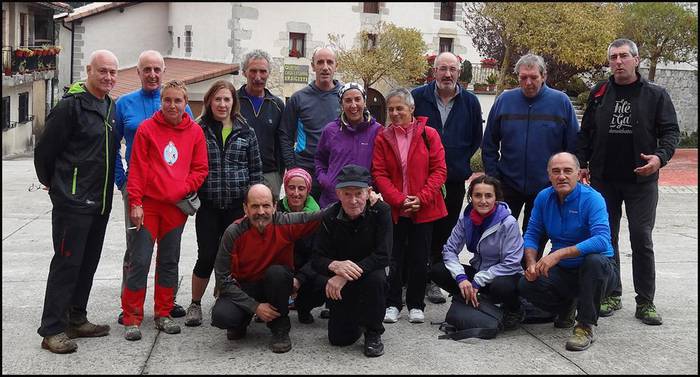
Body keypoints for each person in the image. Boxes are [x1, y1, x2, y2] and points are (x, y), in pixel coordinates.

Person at [576, 38, 680, 325]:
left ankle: (645, 301)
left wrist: (659, 158)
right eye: (613, 57)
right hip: (604, 180)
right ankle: (612, 293)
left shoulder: (656, 95)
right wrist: (582, 164)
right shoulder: (598, 93)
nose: (618, 62)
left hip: (641, 182)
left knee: (641, 239)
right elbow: (585, 134)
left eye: (623, 56)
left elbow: (671, 132)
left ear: (636, 60)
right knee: (605, 239)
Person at [34, 50, 120, 354]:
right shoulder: (71, 106)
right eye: (103, 71)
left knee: (87, 263)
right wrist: (55, 186)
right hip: (73, 203)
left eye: (113, 72)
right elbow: (44, 151)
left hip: (99, 202)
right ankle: (52, 330)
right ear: (89, 71)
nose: (108, 77)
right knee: (66, 264)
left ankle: (76, 318)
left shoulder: (109, 105)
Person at [121, 80, 208, 341]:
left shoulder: (194, 132)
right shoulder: (147, 129)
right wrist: (135, 203)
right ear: (162, 102)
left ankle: (163, 313)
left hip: (175, 210)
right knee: (140, 261)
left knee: (169, 262)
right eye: (167, 100)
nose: (172, 105)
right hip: (147, 208)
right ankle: (132, 318)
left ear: (185, 103)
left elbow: (200, 169)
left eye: (177, 100)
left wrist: (183, 187)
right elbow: (136, 169)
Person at [114, 50, 194, 323]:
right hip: (138, 191)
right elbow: (113, 147)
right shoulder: (124, 104)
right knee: (137, 253)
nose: (152, 74)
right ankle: (130, 307)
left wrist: (182, 186)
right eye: (146, 69)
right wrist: (122, 181)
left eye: (156, 69)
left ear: (163, 71)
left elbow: (190, 151)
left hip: (173, 199)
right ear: (138, 72)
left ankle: (165, 305)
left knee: (169, 255)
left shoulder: (184, 111)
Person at [482, 53, 579, 258]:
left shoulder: (560, 102)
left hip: (545, 187)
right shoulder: (505, 100)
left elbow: (572, 146)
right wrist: (493, 177)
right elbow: (489, 142)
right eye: (523, 77)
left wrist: (562, 181)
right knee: (499, 237)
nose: (528, 82)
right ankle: (498, 284)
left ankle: (527, 283)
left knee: (533, 241)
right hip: (508, 183)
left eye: (533, 77)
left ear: (544, 76)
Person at [518, 152, 618, 352]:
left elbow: (602, 239)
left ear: (578, 173)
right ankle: (566, 308)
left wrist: (557, 254)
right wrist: (531, 263)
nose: (561, 176)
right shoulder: (543, 197)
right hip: (564, 271)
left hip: (599, 272)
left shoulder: (593, 198)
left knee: (594, 262)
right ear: (549, 175)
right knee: (525, 284)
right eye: (556, 171)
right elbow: (532, 234)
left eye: (567, 171)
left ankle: (585, 326)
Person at [211, 184, 327, 353]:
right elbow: (222, 279)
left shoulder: (285, 222)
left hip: (274, 285)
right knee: (223, 316)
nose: (261, 211)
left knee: (278, 273)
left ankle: (280, 326)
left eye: (266, 205)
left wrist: (358, 199)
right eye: (255, 206)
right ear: (245, 208)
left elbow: (321, 216)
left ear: (274, 207)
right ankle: (241, 321)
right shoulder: (233, 232)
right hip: (245, 287)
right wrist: (254, 306)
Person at [183, 80, 263, 327]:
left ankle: (227, 299)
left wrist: (254, 202)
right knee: (206, 255)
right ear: (209, 101)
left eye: (227, 99)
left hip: (236, 206)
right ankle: (195, 303)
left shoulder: (245, 131)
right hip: (208, 204)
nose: (222, 104)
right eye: (217, 99)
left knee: (234, 257)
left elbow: (256, 170)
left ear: (233, 103)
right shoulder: (198, 129)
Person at [412, 51, 483, 305]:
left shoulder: (471, 102)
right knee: (419, 230)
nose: (448, 74)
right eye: (443, 69)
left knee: (446, 230)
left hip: (453, 179)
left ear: (459, 71)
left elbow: (477, 137)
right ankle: (412, 279)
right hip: (421, 180)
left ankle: (434, 279)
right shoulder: (417, 97)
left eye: (452, 69)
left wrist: (460, 161)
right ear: (434, 71)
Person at [372, 87, 447, 324]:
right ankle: (393, 303)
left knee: (419, 257)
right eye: (391, 109)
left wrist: (420, 198)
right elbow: (379, 173)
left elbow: (439, 170)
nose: (394, 113)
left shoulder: (429, 134)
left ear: (411, 109)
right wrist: (398, 199)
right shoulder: (383, 137)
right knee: (394, 257)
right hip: (395, 209)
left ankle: (416, 304)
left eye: (399, 108)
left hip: (424, 208)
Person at [312, 164, 392, 357]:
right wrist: (335, 265)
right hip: (342, 279)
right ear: (338, 194)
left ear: (368, 192)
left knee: (377, 279)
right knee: (338, 340)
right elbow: (316, 257)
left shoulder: (381, 211)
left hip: (370, 273)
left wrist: (345, 275)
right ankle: (355, 318)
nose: (353, 200)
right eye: (347, 194)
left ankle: (373, 331)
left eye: (359, 193)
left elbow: (383, 255)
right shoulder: (329, 216)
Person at [429, 175, 524, 330]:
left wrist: (478, 280)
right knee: (437, 270)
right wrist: (461, 278)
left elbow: (512, 263)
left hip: (503, 275)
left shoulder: (508, 223)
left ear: (496, 198)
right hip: (479, 272)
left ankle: (515, 310)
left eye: (488, 195)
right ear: (471, 197)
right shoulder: (466, 218)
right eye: (477, 195)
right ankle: (471, 296)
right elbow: (449, 250)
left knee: (501, 287)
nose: (483, 201)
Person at [279, 46, 343, 199]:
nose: (325, 67)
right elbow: (285, 135)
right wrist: (293, 168)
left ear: (336, 65)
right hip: (306, 170)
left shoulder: (346, 98)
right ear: (313, 66)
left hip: (336, 170)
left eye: (330, 62)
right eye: (320, 62)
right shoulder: (298, 99)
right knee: (306, 220)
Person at [315, 82, 382, 208]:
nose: (353, 105)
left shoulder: (377, 131)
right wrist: (326, 181)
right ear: (341, 104)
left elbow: (382, 166)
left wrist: (373, 187)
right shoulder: (330, 130)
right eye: (348, 100)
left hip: (364, 201)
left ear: (365, 102)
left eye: (357, 99)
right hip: (333, 199)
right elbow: (320, 159)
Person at [277, 168, 326, 324]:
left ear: (308, 190)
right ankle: (275, 310)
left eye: (301, 188)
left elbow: (318, 255)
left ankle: (304, 306)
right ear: (285, 188)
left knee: (323, 280)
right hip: (281, 268)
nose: (296, 193)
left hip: (306, 271)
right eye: (291, 188)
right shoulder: (274, 210)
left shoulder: (317, 216)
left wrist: (299, 279)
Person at [238, 49, 286, 199]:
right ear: (244, 72)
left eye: (263, 71)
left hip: (270, 174)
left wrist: (279, 173)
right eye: (253, 71)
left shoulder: (277, 105)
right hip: (239, 172)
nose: (258, 77)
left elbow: (282, 142)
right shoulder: (233, 101)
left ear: (269, 73)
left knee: (268, 220)